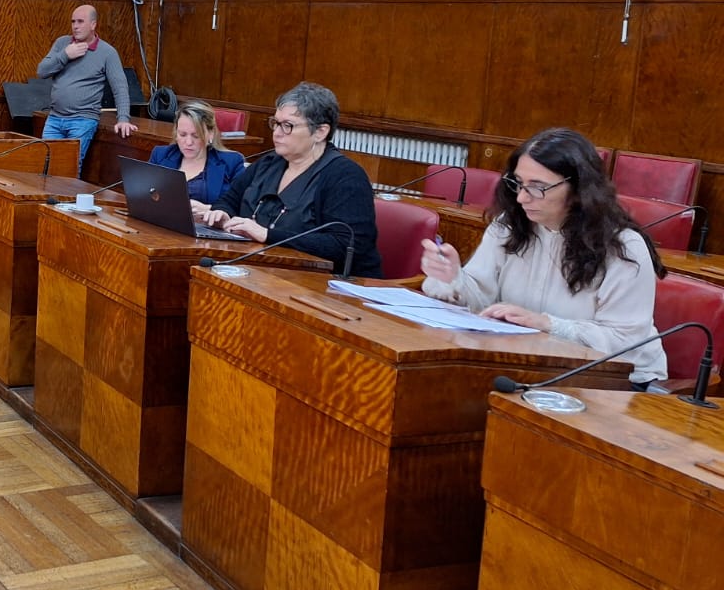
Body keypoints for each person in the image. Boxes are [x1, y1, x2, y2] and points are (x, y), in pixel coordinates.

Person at [419, 127, 666, 387]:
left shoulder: (624, 247)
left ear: (579, 189)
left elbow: (626, 343)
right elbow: (483, 299)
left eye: (538, 187)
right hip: (531, 364)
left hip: (615, 380)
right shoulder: (510, 225)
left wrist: (546, 324)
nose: (521, 197)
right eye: (518, 183)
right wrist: (452, 279)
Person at [197, 81, 381, 277]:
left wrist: (267, 235)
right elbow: (229, 200)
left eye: (288, 126)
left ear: (320, 132)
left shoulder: (346, 176)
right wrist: (222, 213)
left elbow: (347, 245)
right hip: (257, 270)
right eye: (276, 123)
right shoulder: (268, 163)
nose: (276, 133)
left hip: (323, 283)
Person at [37, 4, 136, 169]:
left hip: (82, 120)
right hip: (54, 117)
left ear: (93, 24)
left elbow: (120, 87)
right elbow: (42, 71)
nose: (75, 26)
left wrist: (123, 119)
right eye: (73, 21)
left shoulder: (107, 52)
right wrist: (65, 55)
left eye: (80, 21)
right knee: (45, 165)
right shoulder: (62, 43)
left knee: (69, 167)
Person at [148, 101, 245, 204]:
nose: (188, 142)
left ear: (211, 134)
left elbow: (240, 205)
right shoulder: (160, 155)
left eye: (196, 136)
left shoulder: (232, 162)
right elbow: (146, 192)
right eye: (182, 134)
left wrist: (209, 209)